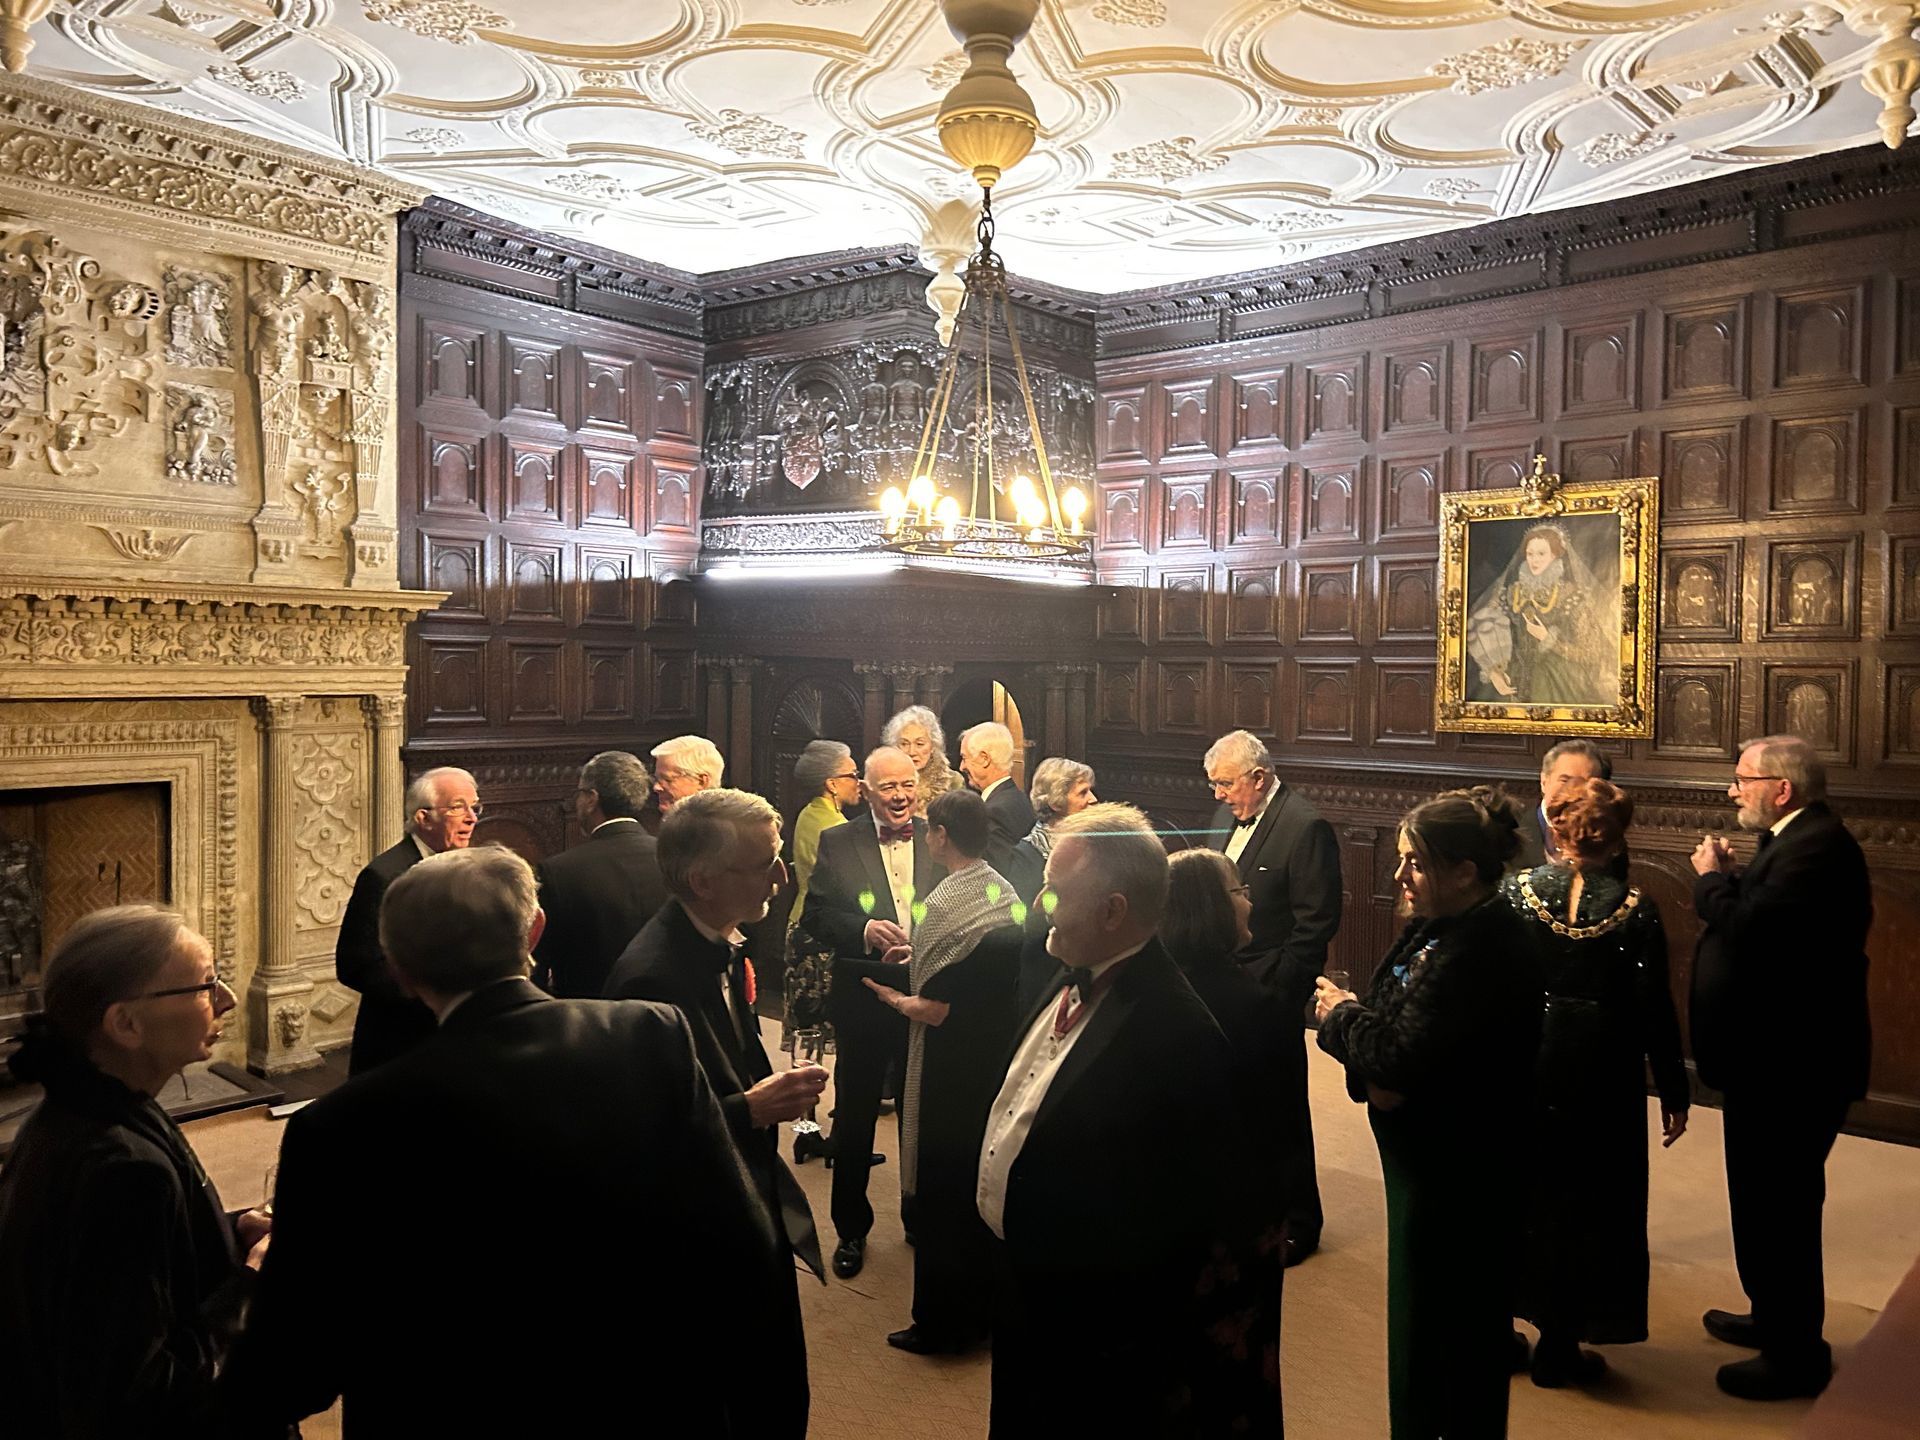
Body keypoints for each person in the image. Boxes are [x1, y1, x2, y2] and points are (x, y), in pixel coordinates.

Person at [227, 846, 797, 1436]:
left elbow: (297, 1361)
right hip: (646, 1401)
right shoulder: (649, 1035)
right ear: (535, 932)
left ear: (397, 968)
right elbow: (737, 1235)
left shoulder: (340, 1127)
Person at [979, 802, 1233, 1437]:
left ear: (1113, 911)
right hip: (1025, 1285)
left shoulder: (1178, 1032)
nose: (1041, 904)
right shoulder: (1064, 970)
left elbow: (1182, 1222)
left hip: (1093, 1327)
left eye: (1055, 892)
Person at [1315, 787, 1542, 1440]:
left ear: (1464, 872)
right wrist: (1375, 1064)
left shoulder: (1484, 946)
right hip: (1424, 1166)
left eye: (1413, 862)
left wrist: (1340, 1019)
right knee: (1420, 1325)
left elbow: (1395, 1051)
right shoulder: (1440, 928)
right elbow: (1391, 1039)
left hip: (1462, 1174)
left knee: (1452, 1333)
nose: (1398, 876)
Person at [0, 906, 272, 1438]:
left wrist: (229, 1234)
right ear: (125, 1023)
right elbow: (140, 1397)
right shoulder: (122, 1170)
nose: (228, 1000)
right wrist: (251, 1284)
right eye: (205, 984)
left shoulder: (79, 1108)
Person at [604, 789, 827, 1430]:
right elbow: (637, 1138)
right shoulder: (652, 978)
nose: (781, 877)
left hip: (744, 1206)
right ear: (703, 880)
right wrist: (747, 1109)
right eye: (764, 863)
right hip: (701, 1235)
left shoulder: (717, 939)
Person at [1690, 734, 1872, 1401]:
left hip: (1795, 1069)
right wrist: (1734, 879)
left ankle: (1796, 1354)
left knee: (1782, 1209)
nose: (1734, 790)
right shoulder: (1794, 840)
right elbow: (1777, 923)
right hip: (1770, 1062)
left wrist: (1710, 881)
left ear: (1782, 787)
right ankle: (1773, 1318)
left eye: (1743, 778)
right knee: (1763, 1204)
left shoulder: (1819, 848)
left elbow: (1754, 931)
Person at [1501, 776, 1688, 1388]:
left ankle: (1498, 1327)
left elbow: (1490, 977)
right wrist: (1675, 1091)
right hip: (1603, 1067)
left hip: (1528, 1052)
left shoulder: (1518, 892)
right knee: (1591, 1195)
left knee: (1521, 1182)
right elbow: (1654, 1005)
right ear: (1618, 838)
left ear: (1555, 829)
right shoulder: (1636, 907)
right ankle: (1560, 1344)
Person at [864, 788, 1022, 1355]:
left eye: (930, 830)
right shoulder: (998, 889)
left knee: (942, 1188)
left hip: (947, 1062)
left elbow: (939, 1001)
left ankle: (942, 1323)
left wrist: (898, 1000)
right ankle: (982, 1312)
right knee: (974, 1185)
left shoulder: (951, 896)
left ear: (942, 836)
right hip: (988, 1059)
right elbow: (981, 974)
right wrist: (917, 961)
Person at [800, 745, 945, 1280]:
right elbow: (815, 915)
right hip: (862, 994)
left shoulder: (938, 833)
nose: (901, 796)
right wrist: (861, 931)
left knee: (919, 1111)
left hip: (927, 991)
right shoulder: (837, 840)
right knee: (857, 1114)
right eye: (888, 787)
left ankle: (918, 1217)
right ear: (865, 790)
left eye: (908, 785)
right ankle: (851, 1230)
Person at [1161, 848, 1291, 1438]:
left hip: (1164, 1218)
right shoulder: (1257, 1006)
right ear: (1213, 909)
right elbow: (1279, 1127)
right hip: (1236, 1224)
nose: (1250, 901)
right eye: (1240, 891)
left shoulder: (1151, 991)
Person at [1203, 728, 1341, 1266]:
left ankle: (1300, 1224)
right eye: (1214, 784)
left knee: (1281, 1111)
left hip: (1270, 995)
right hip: (1223, 989)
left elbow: (1315, 924)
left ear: (1258, 779)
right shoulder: (1223, 817)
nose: (1217, 794)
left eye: (1225, 783)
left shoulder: (1306, 827)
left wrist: (1277, 990)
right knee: (1237, 1108)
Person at [334, 765, 479, 1074]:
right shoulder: (385, 875)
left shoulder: (469, 868)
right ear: (422, 818)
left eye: (474, 806)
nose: (472, 817)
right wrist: (431, 993)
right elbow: (355, 966)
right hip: (398, 1044)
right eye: (457, 807)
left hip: (451, 1041)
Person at [530, 751, 667, 998]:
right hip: (666, 1018)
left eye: (580, 794)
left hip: (588, 1021)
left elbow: (537, 965)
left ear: (592, 799)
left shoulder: (557, 872)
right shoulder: (672, 859)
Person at [1466, 522, 1613, 706]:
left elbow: (1592, 653)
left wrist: (1549, 640)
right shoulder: (1510, 593)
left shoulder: (1572, 597)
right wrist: (1494, 671)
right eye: (1530, 554)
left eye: (1541, 554)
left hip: (1556, 679)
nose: (1534, 560)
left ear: (1555, 555)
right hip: (1511, 678)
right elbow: (1482, 630)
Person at [784, 740, 861, 1050]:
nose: (860, 782)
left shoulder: (809, 813)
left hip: (799, 925)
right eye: (853, 775)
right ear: (832, 783)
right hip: (819, 936)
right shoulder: (836, 827)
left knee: (809, 1038)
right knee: (821, 1035)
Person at [1514, 739, 1619, 874]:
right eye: (1565, 780)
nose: (1573, 790)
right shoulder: (1511, 834)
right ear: (1544, 781)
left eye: (1585, 783)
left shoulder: (1607, 839)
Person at [1005, 756, 1096, 904]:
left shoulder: (1096, 842)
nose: (1093, 799)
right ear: (1056, 803)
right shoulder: (1027, 855)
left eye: (1090, 790)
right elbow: (1024, 919)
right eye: (1083, 793)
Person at [960, 720, 1034, 874]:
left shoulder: (993, 812)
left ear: (984, 759)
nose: (962, 767)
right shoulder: (1018, 798)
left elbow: (997, 878)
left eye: (964, 758)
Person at [882, 704, 963, 817]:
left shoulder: (953, 782)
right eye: (904, 744)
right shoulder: (882, 781)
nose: (912, 752)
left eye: (919, 744)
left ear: (933, 746)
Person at [650, 734, 724, 815]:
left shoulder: (726, 825)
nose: (656, 787)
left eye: (667, 780)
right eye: (657, 779)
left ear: (701, 782)